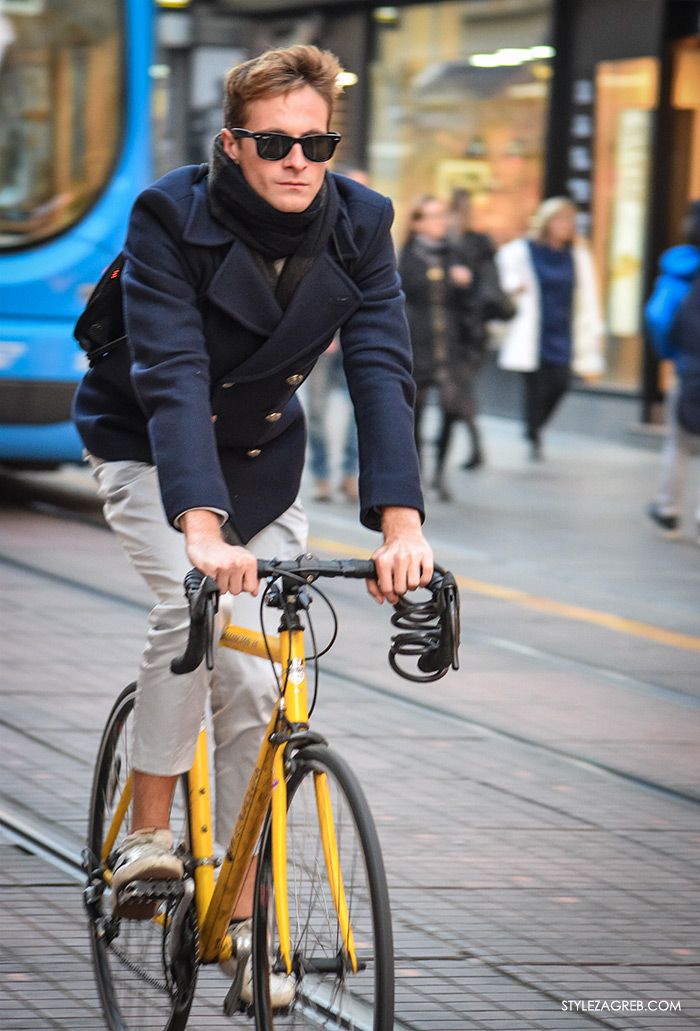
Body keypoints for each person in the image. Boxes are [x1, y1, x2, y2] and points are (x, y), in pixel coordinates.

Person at [72, 43, 432, 986]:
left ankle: (240, 915)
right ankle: (149, 832)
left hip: (264, 464)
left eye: (318, 143)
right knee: (194, 609)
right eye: (274, 141)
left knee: (262, 686)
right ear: (233, 142)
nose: (298, 162)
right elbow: (173, 376)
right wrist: (198, 520)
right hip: (151, 447)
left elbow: (382, 370)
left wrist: (400, 522)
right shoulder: (167, 217)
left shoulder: (360, 224)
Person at [495, 196, 604, 460]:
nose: (565, 226)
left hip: (564, 328)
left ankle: (535, 427)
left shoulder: (576, 253)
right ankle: (533, 433)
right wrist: (514, 287)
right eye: (560, 219)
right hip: (534, 329)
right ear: (546, 222)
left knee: (561, 382)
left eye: (569, 221)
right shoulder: (523, 250)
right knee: (537, 385)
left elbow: (588, 291)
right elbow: (503, 273)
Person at [399, 194, 488, 501]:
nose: (441, 222)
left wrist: (465, 285)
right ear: (417, 222)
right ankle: (418, 474)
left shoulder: (455, 254)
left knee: (451, 406)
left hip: (450, 345)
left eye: (443, 216)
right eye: (433, 216)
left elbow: (472, 302)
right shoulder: (405, 257)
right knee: (417, 410)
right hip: (416, 344)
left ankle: (439, 472)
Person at [302, 166, 369, 504]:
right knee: (315, 411)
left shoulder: (371, 234)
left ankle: (350, 474)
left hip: (356, 339)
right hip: (323, 340)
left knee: (363, 408)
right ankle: (322, 476)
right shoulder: (316, 231)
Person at [645, 199, 700, 539]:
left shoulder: (680, 268)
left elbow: (658, 317)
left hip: (690, 368)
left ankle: (668, 507)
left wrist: (673, 355)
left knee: (679, 444)